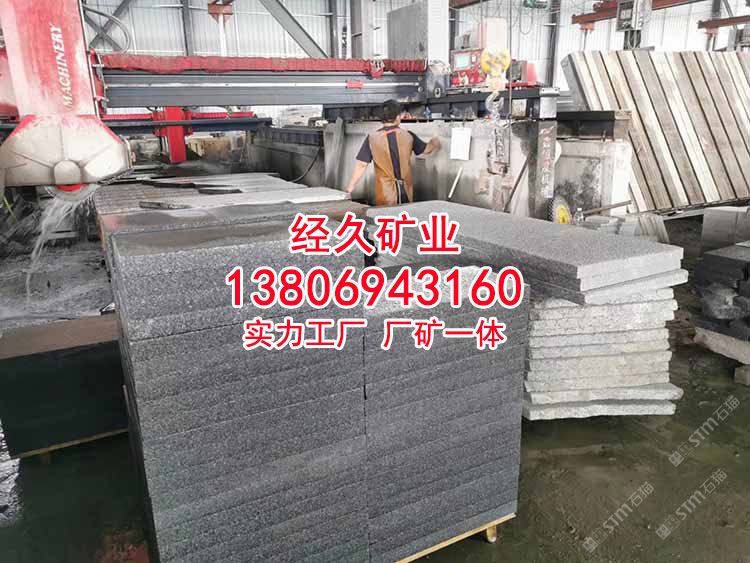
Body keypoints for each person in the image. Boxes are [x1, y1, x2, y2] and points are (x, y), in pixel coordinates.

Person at [344, 99, 441, 205]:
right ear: (398, 117)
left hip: (385, 193)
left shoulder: (372, 138)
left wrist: (350, 189)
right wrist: (435, 141)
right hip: (405, 191)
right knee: (404, 214)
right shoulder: (408, 135)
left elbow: (361, 165)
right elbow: (427, 150)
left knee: (387, 214)